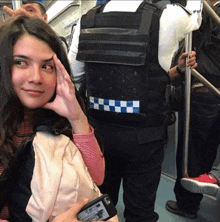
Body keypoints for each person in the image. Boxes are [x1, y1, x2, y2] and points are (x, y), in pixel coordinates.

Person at [68, 0, 202, 221]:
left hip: (99, 135)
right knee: (140, 211)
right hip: (145, 138)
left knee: (98, 206)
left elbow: (76, 77)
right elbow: (195, 17)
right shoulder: (168, 17)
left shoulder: (86, 21)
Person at [0, 15, 107, 222]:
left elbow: (95, 177)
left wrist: (77, 118)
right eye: (21, 62)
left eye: (46, 66)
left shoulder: (58, 123)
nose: (35, 78)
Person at [165, 0, 220, 219]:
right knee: (208, 149)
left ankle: (187, 205)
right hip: (214, 92)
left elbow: (191, 39)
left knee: (192, 151)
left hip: (203, 90)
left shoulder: (206, 13)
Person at [2, 0, 69, 51]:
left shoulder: (58, 43)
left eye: (30, 10)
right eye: (20, 12)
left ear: (44, 18)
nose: (23, 14)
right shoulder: (10, 44)